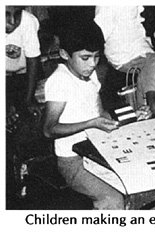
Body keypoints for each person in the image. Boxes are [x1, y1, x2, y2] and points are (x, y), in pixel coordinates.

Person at [43, 21, 125, 210]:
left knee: (138, 181)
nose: (92, 64)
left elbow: (99, 110)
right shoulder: (60, 81)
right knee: (113, 199)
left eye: (96, 57)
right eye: (85, 57)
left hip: (97, 150)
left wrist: (117, 120)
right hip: (72, 161)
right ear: (64, 54)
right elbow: (49, 129)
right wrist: (91, 123)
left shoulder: (90, 74)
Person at [6, 6, 42, 116]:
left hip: (24, 75)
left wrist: (29, 100)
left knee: (28, 113)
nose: (12, 21)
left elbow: (33, 61)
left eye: (17, 14)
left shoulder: (28, 21)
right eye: (5, 14)